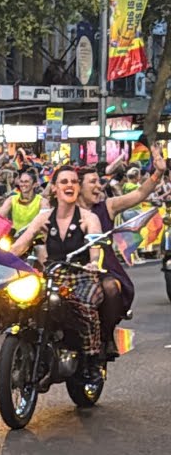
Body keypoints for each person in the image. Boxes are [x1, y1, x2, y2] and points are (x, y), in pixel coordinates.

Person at [10, 167, 104, 378]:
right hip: (53, 277)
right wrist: (2, 256)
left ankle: (92, 362)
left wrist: (94, 262)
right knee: (26, 303)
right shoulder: (44, 218)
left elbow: (95, 247)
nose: (69, 185)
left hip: (82, 277)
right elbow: (21, 244)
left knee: (85, 305)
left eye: (73, 181)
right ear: (54, 188)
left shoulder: (89, 218)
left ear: (78, 188)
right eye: (63, 182)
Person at [78, 143, 167, 356]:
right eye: (92, 182)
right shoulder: (64, 210)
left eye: (99, 182)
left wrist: (159, 172)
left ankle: (107, 336)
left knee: (111, 288)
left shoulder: (107, 206)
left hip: (102, 267)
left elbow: (139, 195)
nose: (99, 186)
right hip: (71, 268)